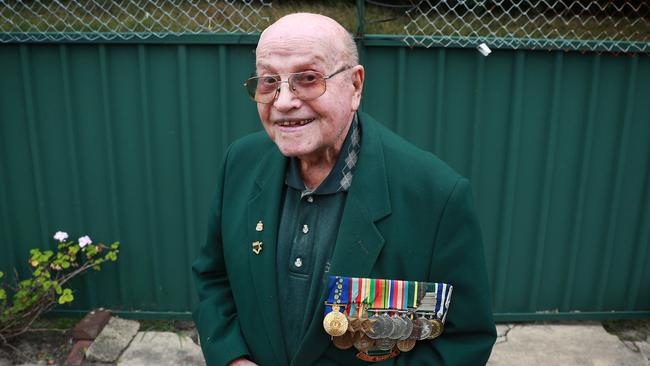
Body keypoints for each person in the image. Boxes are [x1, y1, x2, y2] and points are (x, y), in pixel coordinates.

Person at [192, 13, 496, 366]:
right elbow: (213, 278)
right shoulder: (240, 163)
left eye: (308, 78)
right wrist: (232, 359)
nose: (283, 101)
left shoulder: (437, 195)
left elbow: (464, 341)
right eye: (269, 80)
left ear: (355, 86)